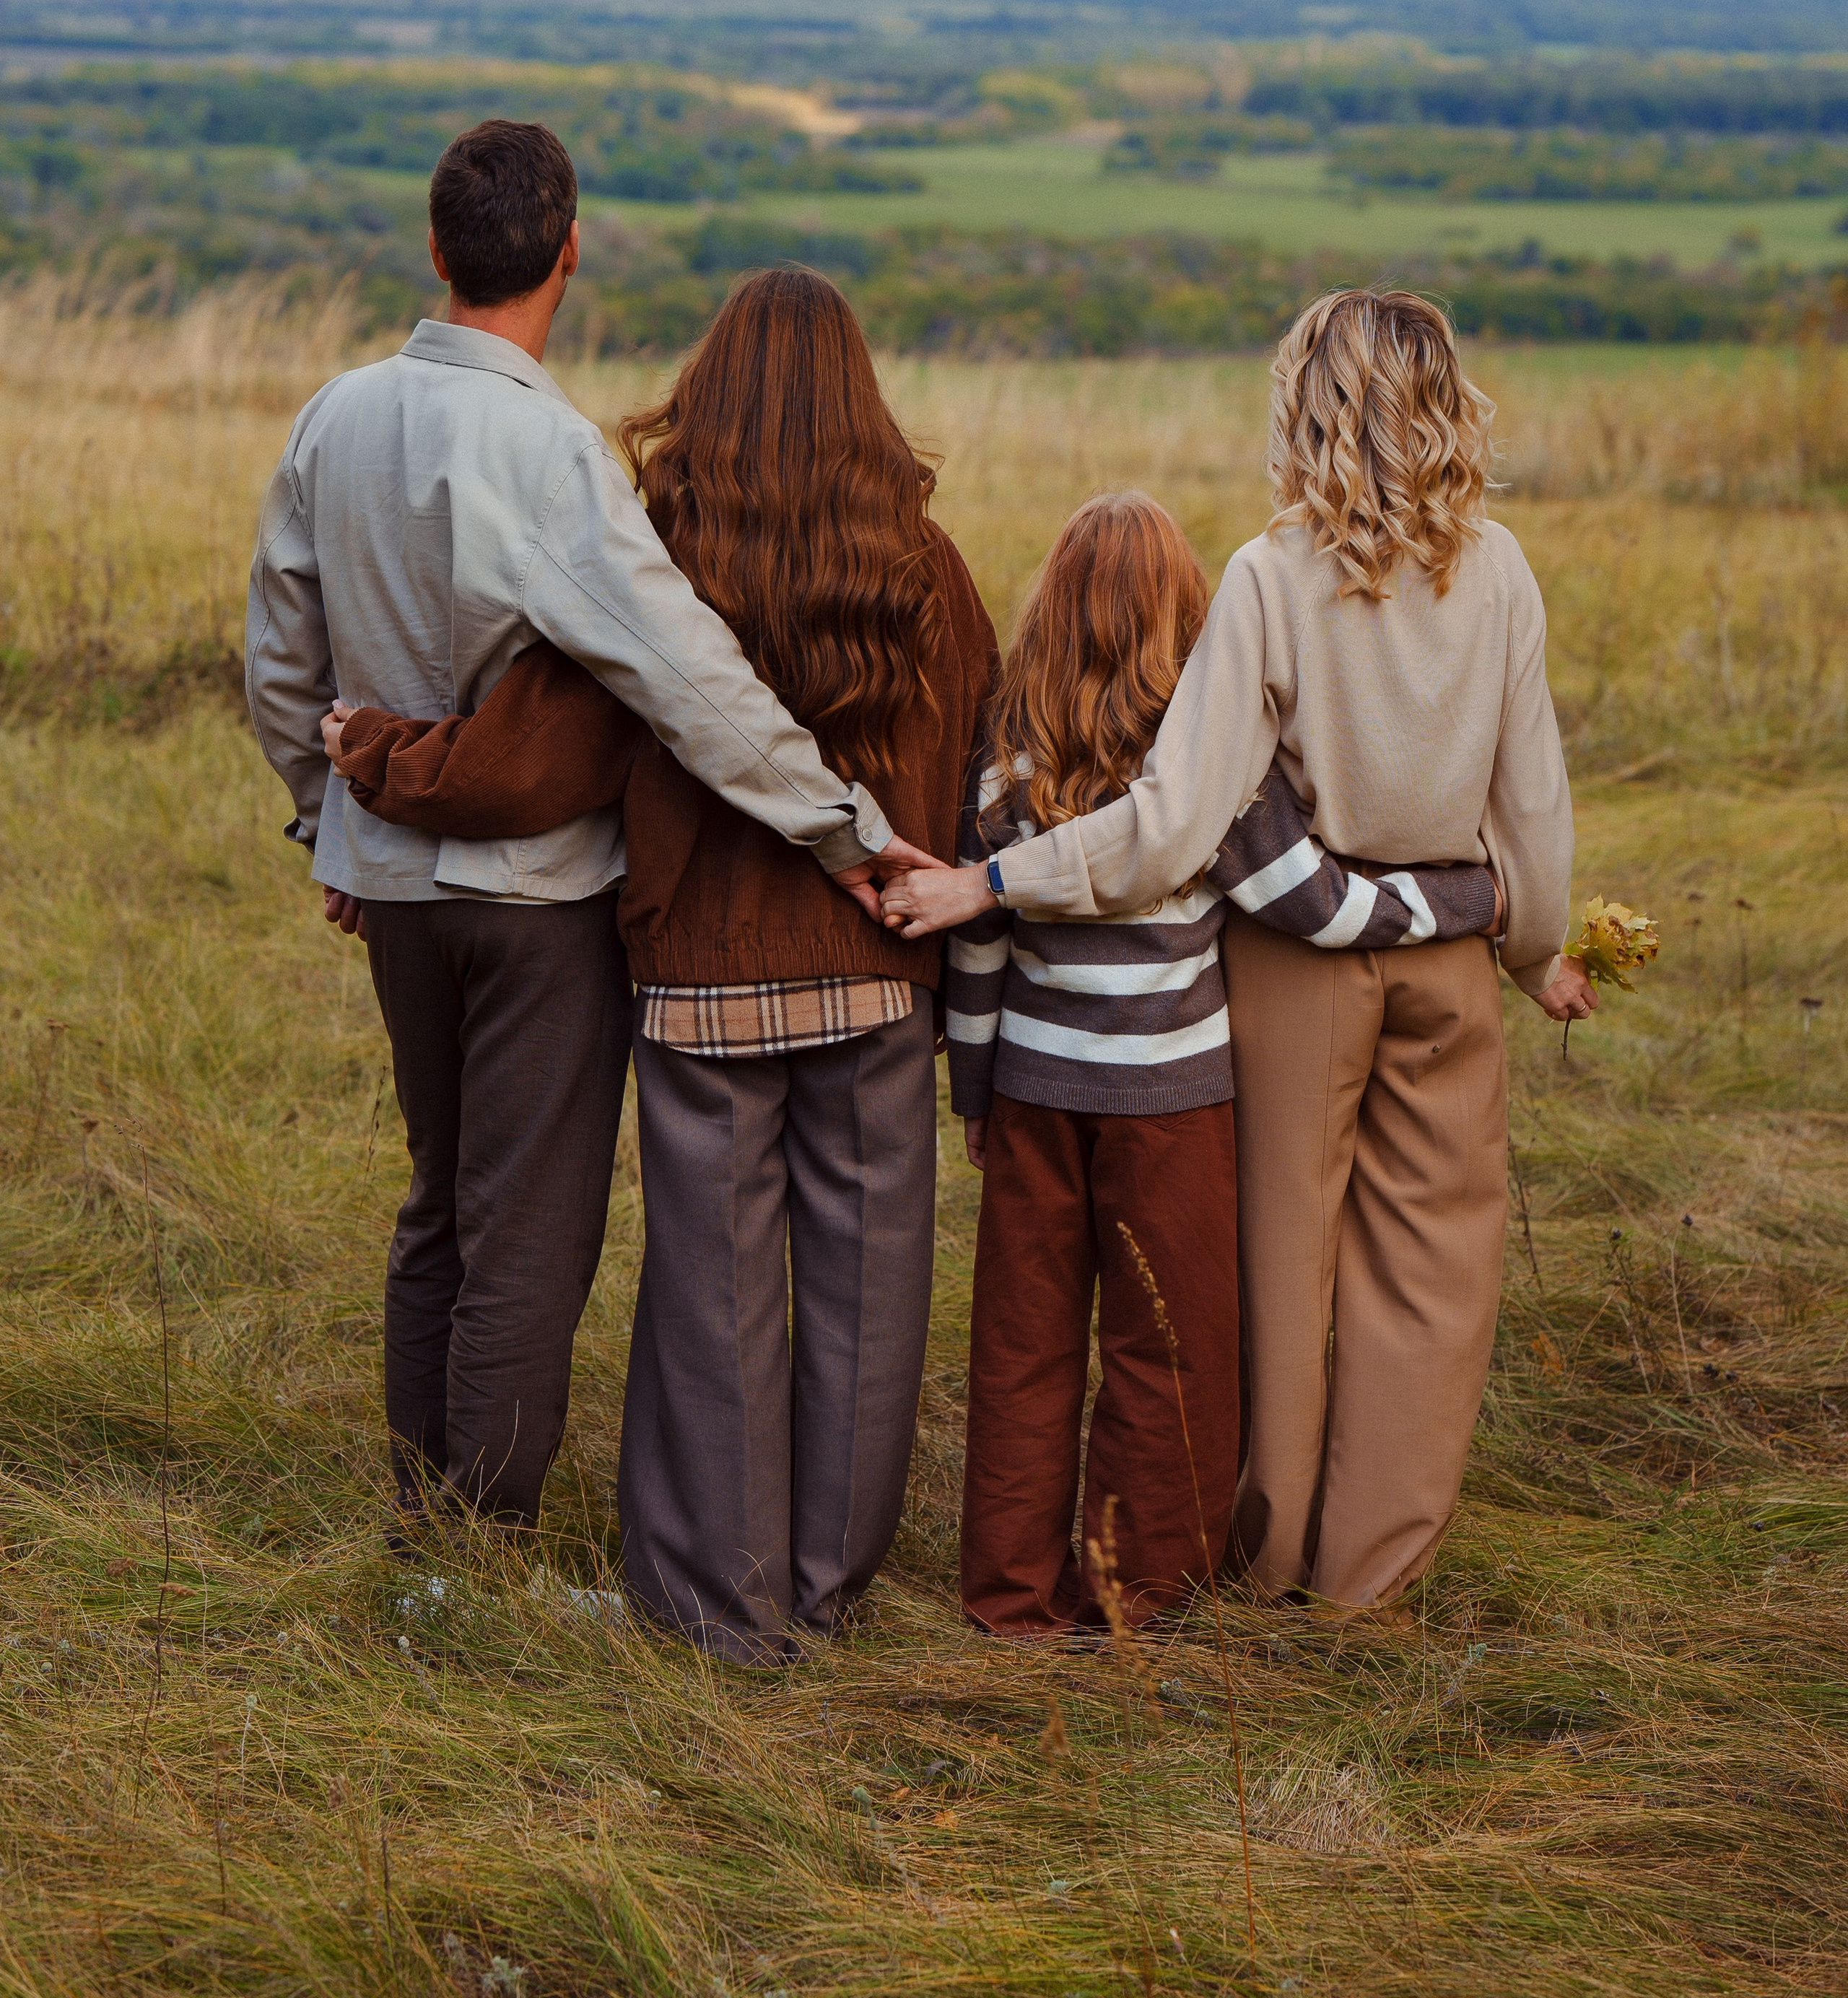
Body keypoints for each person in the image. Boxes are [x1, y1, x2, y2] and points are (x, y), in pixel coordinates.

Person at [319, 267, 998, 1664]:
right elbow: (977, 765)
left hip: (700, 987)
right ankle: (828, 1589)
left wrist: (373, 760)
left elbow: (533, 759)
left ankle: (719, 1607)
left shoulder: (659, 551)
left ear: (710, 392)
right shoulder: (928, 570)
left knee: (711, 1298)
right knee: (872, 1296)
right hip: (879, 971)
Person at [245, 129, 912, 1543]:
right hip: (538, 900)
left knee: (438, 1201)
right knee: (528, 1232)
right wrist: (845, 831)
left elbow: (277, 666)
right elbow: (686, 678)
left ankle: (421, 1519)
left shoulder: (331, 416)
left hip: (392, 889)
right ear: (569, 251)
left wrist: (327, 828)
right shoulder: (547, 450)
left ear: (434, 251)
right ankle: (475, 1548)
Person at [885, 290, 1591, 1613]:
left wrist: (996, 880)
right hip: (1452, 958)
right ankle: (1369, 1579)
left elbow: (1169, 829)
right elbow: (1532, 808)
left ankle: (1258, 1555)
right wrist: (1530, 946)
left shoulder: (1272, 577)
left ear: (1307, 408)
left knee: (1278, 1266)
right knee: (1432, 1276)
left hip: (1298, 963)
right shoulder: (1500, 571)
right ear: (1445, 409)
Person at [942, 492, 1500, 1637]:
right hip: (1173, 1110)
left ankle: (1008, 1601)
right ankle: (1136, 1598)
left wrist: (976, 1095)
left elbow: (979, 955)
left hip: (1036, 1098)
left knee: (1020, 1350)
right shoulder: (1215, 780)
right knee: (1171, 1355)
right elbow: (1321, 909)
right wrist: (1474, 893)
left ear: (1048, 612)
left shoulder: (1003, 762)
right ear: (1186, 625)